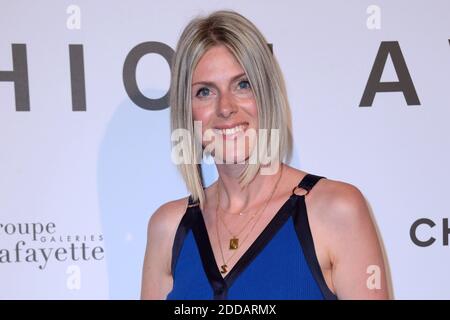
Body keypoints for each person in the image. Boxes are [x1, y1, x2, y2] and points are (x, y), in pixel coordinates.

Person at [141, 10, 389, 300]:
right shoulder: (168, 228)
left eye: (243, 85)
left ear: (267, 93)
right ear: (188, 109)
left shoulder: (336, 210)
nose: (225, 107)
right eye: (205, 92)